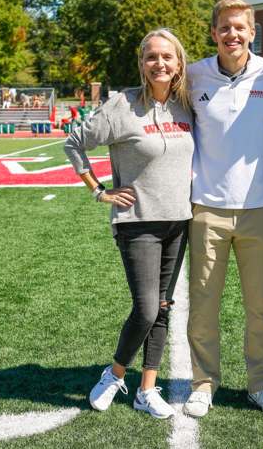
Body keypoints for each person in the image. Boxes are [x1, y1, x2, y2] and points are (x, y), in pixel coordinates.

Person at [64, 28, 194, 419]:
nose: (160, 63)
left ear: (178, 63)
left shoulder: (185, 106)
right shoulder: (122, 107)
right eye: (152, 57)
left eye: (167, 57)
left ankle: (147, 390)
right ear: (142, 63)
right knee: (145, 308)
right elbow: (73, 142)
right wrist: (99, 191)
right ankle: (116, 373)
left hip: (179, 220)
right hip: (138, 222)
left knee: (164, 307)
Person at [182, 0, 263, 418]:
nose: (232, 34)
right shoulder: (193, 75)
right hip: (207, 207)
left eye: (240, 27)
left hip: (260, 208)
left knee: (259, 306)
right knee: (203, 304)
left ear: (252, 32)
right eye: (225, 27)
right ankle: (203, 383)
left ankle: (261, 384)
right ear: (213, 33)